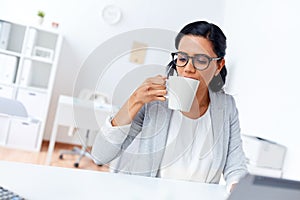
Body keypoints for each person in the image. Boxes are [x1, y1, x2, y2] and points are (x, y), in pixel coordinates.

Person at [91, 20, 248, 192]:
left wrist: (237, 187)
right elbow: (100, 156)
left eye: (201, 60)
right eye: (182, 58)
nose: (188, 68)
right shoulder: (155, 100)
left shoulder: (226, 107)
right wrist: (135, 100)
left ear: (219, 65)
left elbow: (235, 165)